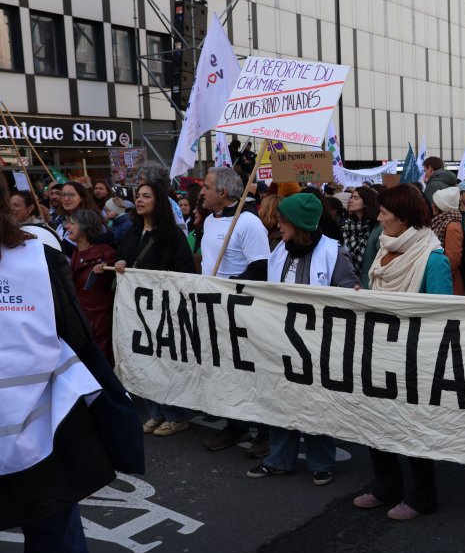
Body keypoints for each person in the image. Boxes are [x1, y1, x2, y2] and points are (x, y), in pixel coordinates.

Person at [0, 198, 143, 553]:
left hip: (41, 433)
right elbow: (77, 335)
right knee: (56, 549)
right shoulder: (37, 256)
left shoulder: (38, 254)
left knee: (57, 547)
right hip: (42, 434)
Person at [353, 183, 452, 520]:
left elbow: (441, 317)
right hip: (378, 353)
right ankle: (387, 487)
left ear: (404, 218)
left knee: (413, 429)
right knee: (376, 422)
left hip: (413, 360)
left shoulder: (432, 260)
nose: (379, 219)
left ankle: (423, 497)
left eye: (384, 213)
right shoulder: (384, 249)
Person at [246, 193, 360, 485]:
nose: (278, 225)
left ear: (298, 224)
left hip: (317, 347)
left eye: (283, 220)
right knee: (280, 400)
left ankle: (321, 462)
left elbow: (351, 293)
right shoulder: (279, 250)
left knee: (315, 404)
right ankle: (278, 460)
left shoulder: (333, 252)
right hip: (281, 342)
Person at [113, 181, 196, 437]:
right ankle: (156, 412)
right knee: (143, 360)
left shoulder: (172, 236)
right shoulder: (131, 233)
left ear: (158, 201)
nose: (139, 200)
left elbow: (185, 272)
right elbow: (122, 258)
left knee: (164, 363)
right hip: (136, 310)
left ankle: (175, 415)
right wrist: (119, 262)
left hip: (163, 310)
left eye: (146, 196)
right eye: (137, 195)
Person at [198, 167, 271, 452]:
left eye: (206, 187)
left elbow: (260, 268)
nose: (201, 192)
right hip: (214, 308)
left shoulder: (248, 222)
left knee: (251, 372)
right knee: (224, 369)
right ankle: (235, 425)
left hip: (241, 310)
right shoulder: (209, 221)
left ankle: (265, 431)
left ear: (223, 192)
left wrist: (227, 286)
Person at [65, 209, 117, 366]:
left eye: (72, 223)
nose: (67, 226)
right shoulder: (75, 252)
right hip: (80, 318)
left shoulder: (105, 253)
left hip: (99, 320)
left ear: (85, 226)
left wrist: (107, 269)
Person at [431, 186, 465, 295]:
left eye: (435, 203)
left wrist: (440, 276)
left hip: (446, 280)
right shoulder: (441, 221)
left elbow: (452, 260)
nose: (432, 205)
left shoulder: (452, 225)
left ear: (442, 207)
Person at [341, 186, 380, 277]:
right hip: (348, 279)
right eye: (351, 197)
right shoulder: (347, 226)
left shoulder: (377, 229)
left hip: (368, 280)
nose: (350, 201)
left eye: (356, 198)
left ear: (366, 202)